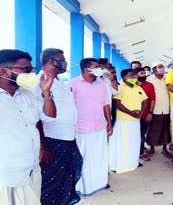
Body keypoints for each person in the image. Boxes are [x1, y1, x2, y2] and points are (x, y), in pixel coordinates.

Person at [0, 49, 56, 205]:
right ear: (3, 72)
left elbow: (49, 116)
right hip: (9, 175)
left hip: (32, 171)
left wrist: (46, 93)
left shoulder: (28, 95)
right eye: (26, 69)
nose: (31, 73)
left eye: (32, 69)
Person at [32, 48, 83, 205]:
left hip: (68, 138)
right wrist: (43, 147)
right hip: (52, 140)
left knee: (67, 176)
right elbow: (35, 117)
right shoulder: (38, 82)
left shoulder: (60, 82)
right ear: (49, 61)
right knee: (51, 181)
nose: (64, 63)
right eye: (61, 60)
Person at [68, 58, 112, 197]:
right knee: (83, 158)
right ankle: (81, 187)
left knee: (99, 156)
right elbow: (68, 107)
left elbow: (106, 104)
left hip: (99, 126)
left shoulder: (102, 84)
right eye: (97, 66)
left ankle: (99, 183)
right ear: (87, 69)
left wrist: (109, 123)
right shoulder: (73, 84)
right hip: (80, 128)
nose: (100, 68)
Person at [109, 69, 148, 174]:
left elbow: (145, 100)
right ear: (125, 78)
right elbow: (117, 103)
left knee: (134, 143)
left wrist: (141, 112)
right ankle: (121, 165)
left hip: (136, 120)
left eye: (135, 75)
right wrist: (131, 113)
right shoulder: (120, 88)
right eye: (132, 75)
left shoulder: (138, 88)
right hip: (124, 120)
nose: (134, 77)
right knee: (123, 144)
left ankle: (132, 163)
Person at [146, 62, 172, 158]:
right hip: (155, 108)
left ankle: (165, 149)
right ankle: (151, 148)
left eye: (162, 67)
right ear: (154, 70)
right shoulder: (149, 79)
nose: (162, 68)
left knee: (166, 129)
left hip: (166, 108)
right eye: (159, 67)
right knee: (153, 129)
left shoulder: (167, 78)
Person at [133, 68, 156, 161]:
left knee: (141, 135)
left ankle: (140, 153)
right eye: (141, 73)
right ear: (135, 75)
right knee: (132, 135)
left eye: (144, 73)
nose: (144, 75)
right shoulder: (131, 84)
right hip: (132, 115)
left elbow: (153, 100)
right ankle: (131, 154)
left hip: (145, 115)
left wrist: (150, 113)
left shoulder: (149, 85)